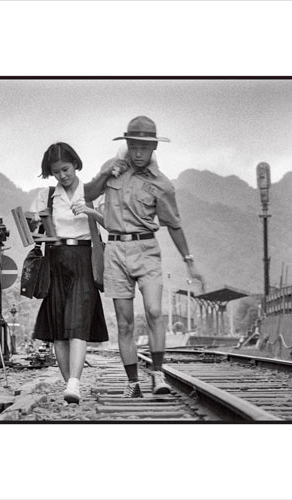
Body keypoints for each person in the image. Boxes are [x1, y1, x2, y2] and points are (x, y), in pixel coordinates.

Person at [85, 116, 204, 398]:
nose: (138, 153)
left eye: (144, 147)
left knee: (154, 311)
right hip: (115, 250)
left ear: (154, 148)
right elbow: (88, 193)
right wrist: (105, 174)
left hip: (146, 249)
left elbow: (173, 224)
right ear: (127, 144)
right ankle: (133, 383)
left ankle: (158, 374)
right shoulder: (112, 169)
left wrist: (189, 261)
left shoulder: (162, 184)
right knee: (124, 321)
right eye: (134, 146)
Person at [30, 142, 108, 404]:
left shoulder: (92, 192)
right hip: (55, 259)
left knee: (78, 322)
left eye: (65, 169)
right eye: (56, 172)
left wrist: (90, 211)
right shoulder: (47, 195)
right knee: (59, 329)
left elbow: (113, 223)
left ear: (75, 164)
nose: (62, 176)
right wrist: (34, 227)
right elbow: (33, 233)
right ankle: (69, 386)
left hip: (84, 258)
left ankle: (75, 380)